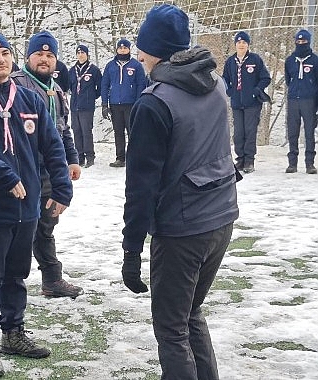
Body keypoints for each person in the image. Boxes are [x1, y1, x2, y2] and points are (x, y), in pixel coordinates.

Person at [122, 5, 239, 380]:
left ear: (154, 50)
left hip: (183, 228)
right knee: (190, 315)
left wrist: (131, 249)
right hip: (222, 217)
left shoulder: (154, 103)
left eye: (143, 47)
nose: (138, 55)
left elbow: (140, 188)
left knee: (172, 329)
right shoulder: (215, 82)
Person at [0, 28, 73, 378]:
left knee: (17, 274)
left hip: (26, 208)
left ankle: (14, 331)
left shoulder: (29, 100)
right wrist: (3, 175)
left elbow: (51, 144)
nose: (1, 60)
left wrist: (61, 187)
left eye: (5, 53)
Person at [10, 30, 83, 298]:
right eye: (39, 54)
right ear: (28, 57)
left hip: (49, 169)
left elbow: (63, 129)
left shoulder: (56, 89)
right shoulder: (16, 85)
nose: (44, 59)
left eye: (50, 55)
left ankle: (52, 279)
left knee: (46, 223)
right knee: (16, 228)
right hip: (22, 170)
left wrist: (72, 159)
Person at [222, 31, 271, 174]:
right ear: (235, 45)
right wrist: (230, 91)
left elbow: (265, 78)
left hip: (252, 103)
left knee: (250, 132)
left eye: (244, 42)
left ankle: (249, 160)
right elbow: (224, 79)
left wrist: (256, 90)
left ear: (248, 44)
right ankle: (240, 159)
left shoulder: (255, 59)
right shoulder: (231, 61)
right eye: (239, 42)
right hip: (237, 103)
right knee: (238, 133)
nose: (241, 45)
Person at [101, 39, 147, 168]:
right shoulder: (110, 65)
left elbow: (140, 85)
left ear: (129, 49)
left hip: (131, 103)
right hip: (115, 103)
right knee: (118, 132)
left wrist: (139, 102)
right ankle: (120, 158)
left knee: (133, 132)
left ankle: (134, 158)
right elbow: (105, 84)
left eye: (125, 48)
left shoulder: (136, 65)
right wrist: (105, 104)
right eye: (120, 48)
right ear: (116, 49)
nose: (122, 50)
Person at [284, 29, 318, 174]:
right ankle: (292, 163)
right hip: (293, 100)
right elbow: (287, 79)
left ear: (308, 42)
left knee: (309, 133)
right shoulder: (290, 60)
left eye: (303, 41)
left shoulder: (315, 60)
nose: (301, 43)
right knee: (292, 132)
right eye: (298, 41)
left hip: (309, 100)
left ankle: (309, 163)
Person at [68, 44, 101, 167]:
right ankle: (79, 156)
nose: (80, 55)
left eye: (83, 53)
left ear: (87, 55)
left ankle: (90, 156)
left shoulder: (93, 70)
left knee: (86, 131)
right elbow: (69, 86)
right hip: (75, 105)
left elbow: (100, 87)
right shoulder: (72, 70)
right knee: (76, 131)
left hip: (87, 106)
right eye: (78, 53)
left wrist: (91, 97)